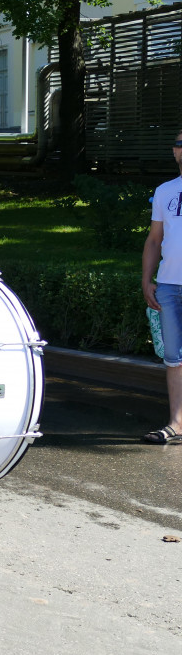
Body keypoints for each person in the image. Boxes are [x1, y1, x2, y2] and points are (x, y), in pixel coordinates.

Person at [141, 128, 182, 446]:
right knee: (174, 357)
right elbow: (154, 239)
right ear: (174, 152)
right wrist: (147, 279)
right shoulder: (166, 191)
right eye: (180, 144)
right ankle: (176, 423)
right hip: (168, 287)